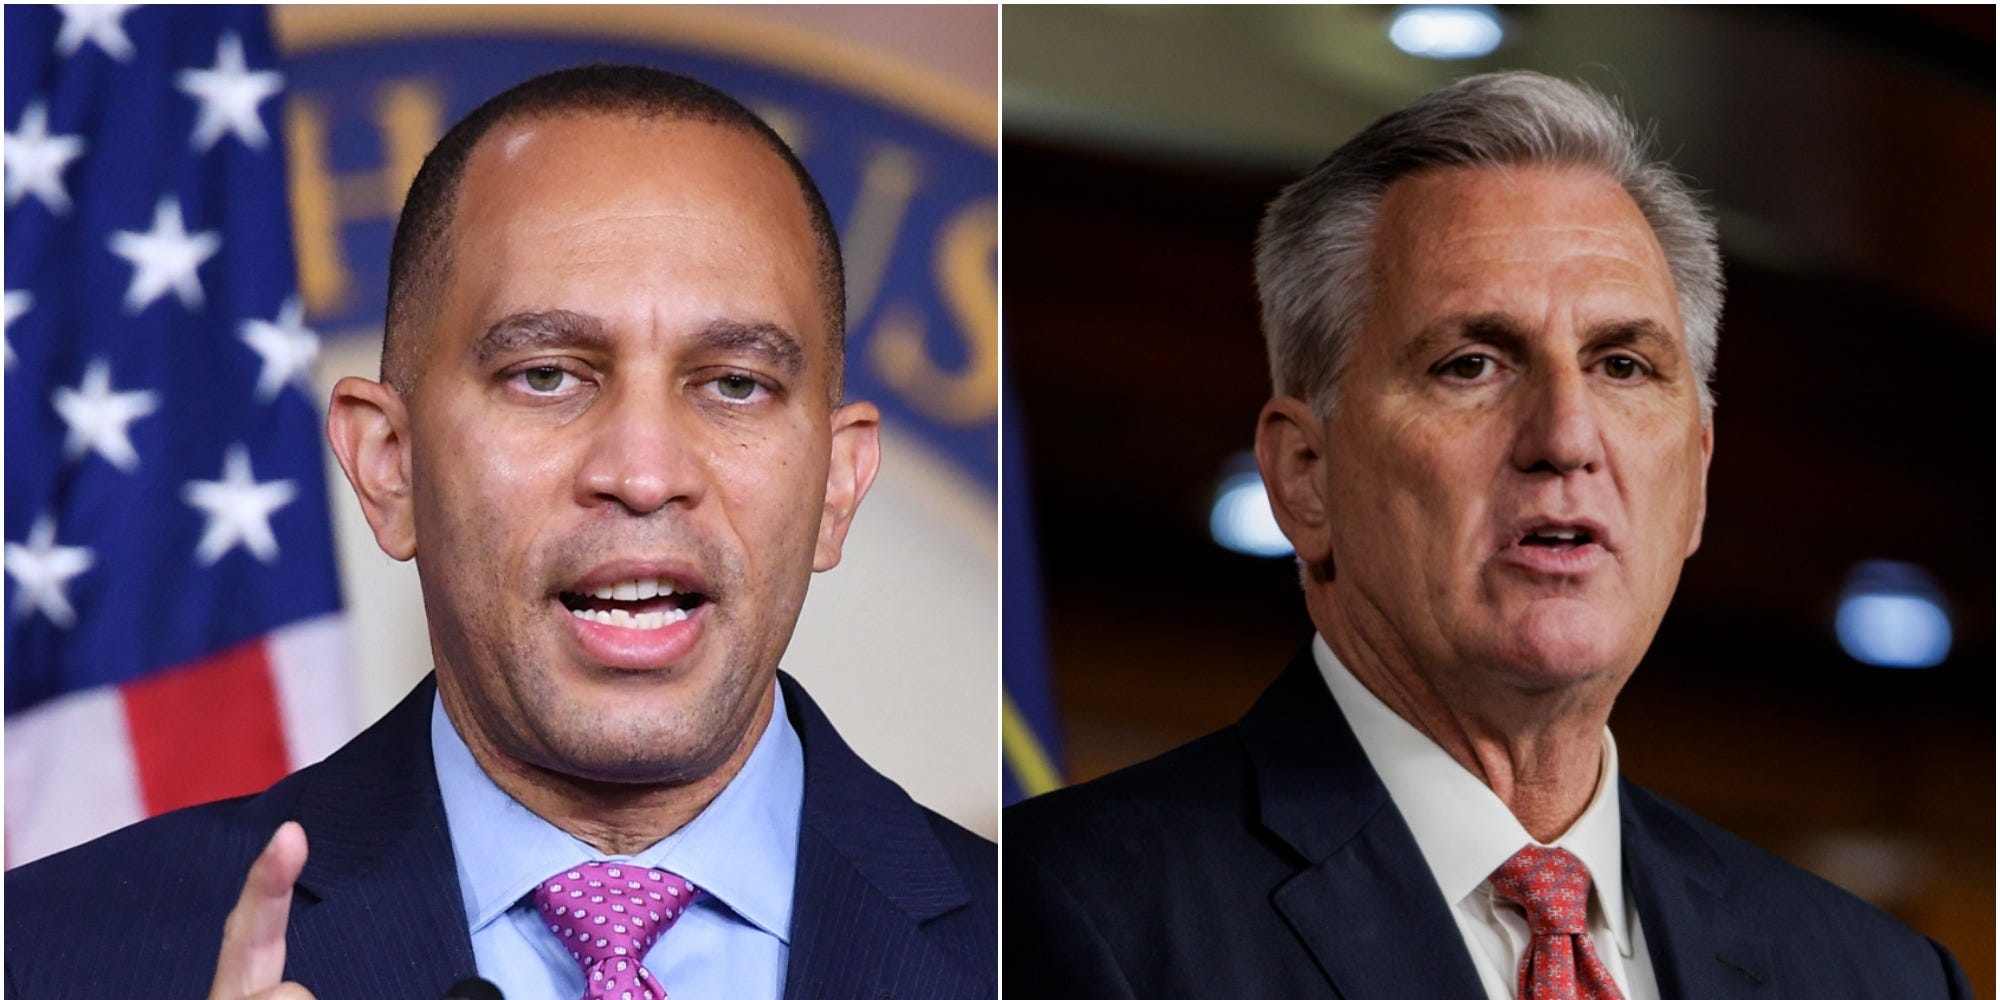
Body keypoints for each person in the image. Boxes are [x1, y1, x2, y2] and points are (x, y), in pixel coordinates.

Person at [6, 66, 995, 1000]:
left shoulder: (1059, 952)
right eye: (546, 375)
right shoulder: (53, 955)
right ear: (388, 462)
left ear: (836, 486)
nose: (643, 475)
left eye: (734, 383)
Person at [1004, 71, 1968, 999]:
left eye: (1624, 366)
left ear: (1698, 477)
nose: (1565, 438)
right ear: (1307, 476)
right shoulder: (1065, 915)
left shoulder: (1883, 978)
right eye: (1471, 364)